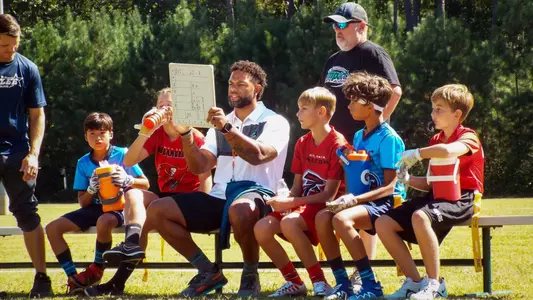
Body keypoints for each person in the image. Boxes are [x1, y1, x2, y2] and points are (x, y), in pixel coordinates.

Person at [88, 60, 290, 297]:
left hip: (258, 194)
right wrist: (186, 134)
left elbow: (258, 156)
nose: (233, 88)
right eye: (230, 83)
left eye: (241, 84)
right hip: (220, 196)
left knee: (240, 209)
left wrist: (227, 129)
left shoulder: (274, 121)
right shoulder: (218, 124)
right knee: (157, 209)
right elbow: (199, 165)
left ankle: (249, 275)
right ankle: (208, 271)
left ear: (257, 88)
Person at [83, 88, 213, 296]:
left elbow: (205, 176)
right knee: (133, 194)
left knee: (149, 215)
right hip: (164, 199)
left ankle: (117, 281)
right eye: (161, 105)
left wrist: (204, 208)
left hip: (190, 201)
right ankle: (131, 246)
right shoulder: (157, 135)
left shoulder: (193, 136)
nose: (164, 110)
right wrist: (145, 131)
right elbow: (128, 161)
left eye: (170, 105)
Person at [376, 84, 484, 299]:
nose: (432, 114)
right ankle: (415, 283)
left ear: (457, 114)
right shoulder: (435, 140)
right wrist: (407, 179)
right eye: (433, 108)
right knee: (383, 223)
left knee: (420, 215)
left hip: (464, 198)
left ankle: (435, 285)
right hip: (437, 197)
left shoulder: (468, 137)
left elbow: (447, 152)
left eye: (438, 109)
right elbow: (431, 183)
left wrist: (418, 153)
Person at [321, 2, 403, 269]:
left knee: (365, 206)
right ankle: (346, 271)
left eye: (343, 25)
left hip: (367, 147)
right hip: (339, 146)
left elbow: (394, 90)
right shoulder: (332, 60)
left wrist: (374, 127)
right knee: (335, 207)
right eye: (335, 25)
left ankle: (363, 271)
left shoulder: (373, 53)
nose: (338, 30)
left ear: (362, 26)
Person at [315, 72, 405, 300]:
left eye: (354, 100)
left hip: (386, 202)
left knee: (341, 219)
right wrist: (347, 159)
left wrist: (353, 200)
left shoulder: (389, 138)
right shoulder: (358, 135)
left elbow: (390, 187)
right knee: (322, 218)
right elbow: (361, 173)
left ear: (371, 105)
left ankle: (370, 284)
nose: (349, 106)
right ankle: (343, 284)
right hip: (364, 200)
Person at [254, 87, 346, 297]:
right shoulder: (303, 142)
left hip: (327, 206)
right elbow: (296, 187)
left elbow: (329, 196)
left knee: (289, 222)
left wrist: (292, 204)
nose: (297, 114)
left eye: (303, 109)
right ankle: (294, 282)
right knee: (261, 228)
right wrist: (283, 200)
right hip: (303, 204)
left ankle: (319, 281)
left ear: (321, 112)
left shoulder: (338, 144)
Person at [45, 112, 149, 294]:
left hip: (121, 207)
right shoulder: (83, 163)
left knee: (104, 222)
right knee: (52, 228)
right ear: (86, 137)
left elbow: (146, 183)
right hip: (94, 208)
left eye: (102, 133)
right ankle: (72, 277)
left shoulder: (123, 154)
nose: (98, 137)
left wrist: (127, 179)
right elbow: (83, 203)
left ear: (111, 134)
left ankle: (97, 268)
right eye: (92, 133)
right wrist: (92, 189)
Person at [0, 14, 50, 297]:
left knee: (28, 215)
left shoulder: (27, 68)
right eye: (6, 46)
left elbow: (37, 113)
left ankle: (42, 279)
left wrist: (33, 154)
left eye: (15, 45)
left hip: (18, 152)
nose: (12, 51)